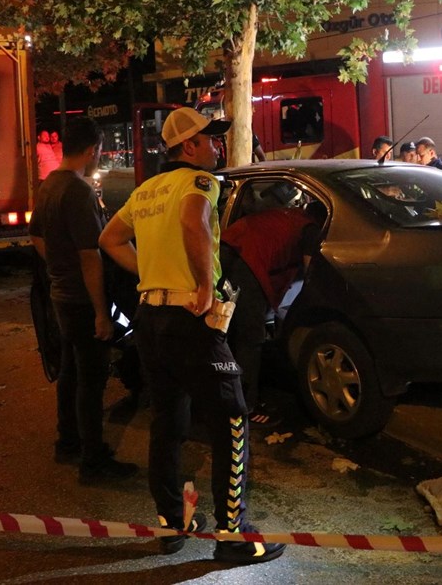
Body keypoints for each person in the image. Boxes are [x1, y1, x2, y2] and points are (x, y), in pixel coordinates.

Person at [99, 107, 285, 562]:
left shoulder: (145, 191)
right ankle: (231, 532)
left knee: (168, 420)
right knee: (233, 418)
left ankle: (171, 522)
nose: (217, 147)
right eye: (209, 140)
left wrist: (151, 272)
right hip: (189, 318)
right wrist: (204, 285)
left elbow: (110, 239)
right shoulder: (200, 183)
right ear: (188, 147)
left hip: (150, 320)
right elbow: (193, 222)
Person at [28, 117, 139, 484]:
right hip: (81, 300)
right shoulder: (79, 191)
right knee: (91, 381)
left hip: (61, 295)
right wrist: (100, 313)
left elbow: (36, 237)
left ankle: (68, 442)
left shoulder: (48, 187)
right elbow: (91, 255)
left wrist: (57, 267)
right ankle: (93, 462)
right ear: (93, 151)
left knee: (71, 373)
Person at [220, 201, 327, 427]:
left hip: (225, 249)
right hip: (248, 262)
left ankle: (220, 394)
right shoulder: (310, 229)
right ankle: (245, 407)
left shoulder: (290, 215)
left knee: (226, 330)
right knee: (251, 339)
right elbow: (310, 276)